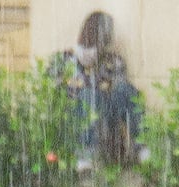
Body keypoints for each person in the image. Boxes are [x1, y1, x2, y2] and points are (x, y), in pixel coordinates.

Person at [48, 11, 147, 171]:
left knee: (126, 90)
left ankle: (143, 147)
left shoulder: (113, 62)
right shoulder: (63, 60)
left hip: (106, 128)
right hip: (75, 128)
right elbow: (51, 100)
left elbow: (122, 99)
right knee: (89, 95)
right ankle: (85, 157)